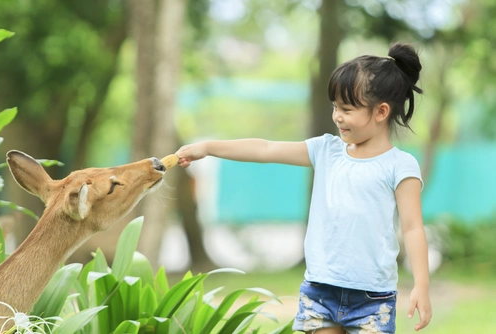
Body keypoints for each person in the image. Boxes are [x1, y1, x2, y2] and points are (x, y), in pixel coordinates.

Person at [175, 43, 432, 333]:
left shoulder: (400, 165)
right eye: (335, 107)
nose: (337, 116)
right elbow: (266, 149)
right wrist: (208, 147)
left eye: (347, 109)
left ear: (381, 111)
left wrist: (421, 286)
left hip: (372, 299)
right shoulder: (326, 150)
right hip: (320, 291)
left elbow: (413, 228)